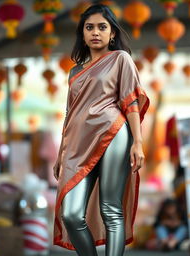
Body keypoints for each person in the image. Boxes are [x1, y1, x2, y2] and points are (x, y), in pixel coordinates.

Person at [53, 4, 149, 256]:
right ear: (82, 34)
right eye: (89, 27)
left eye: (102, 27)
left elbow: (131, 101)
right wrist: (61, 154)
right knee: (71, 215)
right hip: (76, 144)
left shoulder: (121, 59)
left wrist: (137, 142)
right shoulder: (75, 71)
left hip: (112, 134)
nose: (95, 32)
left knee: (110, 208)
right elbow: (69, 113)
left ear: (112, 33)